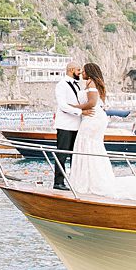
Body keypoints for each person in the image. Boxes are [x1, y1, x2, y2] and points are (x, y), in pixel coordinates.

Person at [70, 63, 119, 197]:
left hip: (93, 117)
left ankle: (87, 183)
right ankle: (91, 180)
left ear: (89, 72)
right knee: (92, 146)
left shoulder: (91, 83)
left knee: (85, 144)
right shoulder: (95, 83)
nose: (81, 73)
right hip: (95, 117)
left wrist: (75, 107)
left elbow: (92, 102)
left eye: (84, 71)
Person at [51, 62, 84, 191]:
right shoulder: (61, 85)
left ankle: (74, 182)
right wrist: (81, 112)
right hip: (65, 125)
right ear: (71, 70)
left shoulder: (78, 85)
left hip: (77, 125)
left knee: (75, 156)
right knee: (62, 154)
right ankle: (58, 182)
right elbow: (63, 106)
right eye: (78, 70)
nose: (80, 72)